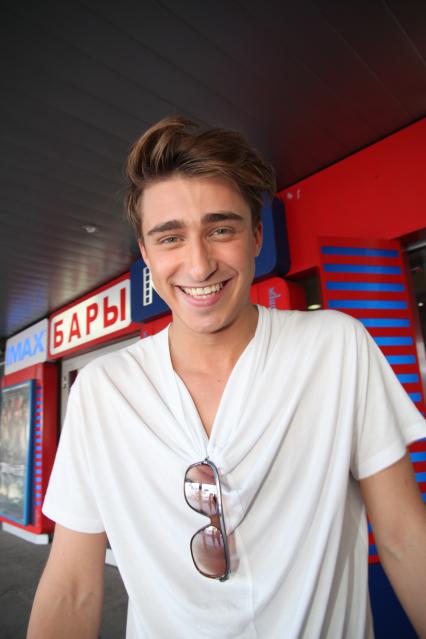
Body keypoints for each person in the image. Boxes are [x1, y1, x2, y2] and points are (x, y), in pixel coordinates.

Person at [27, 117, 426, 639]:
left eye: (221, 229)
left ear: (257, 235)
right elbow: (72, 588)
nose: (199, 266)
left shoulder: (336, 347)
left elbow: (404, 537)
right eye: (170, 238)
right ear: (146, 255)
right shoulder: (104, 392)